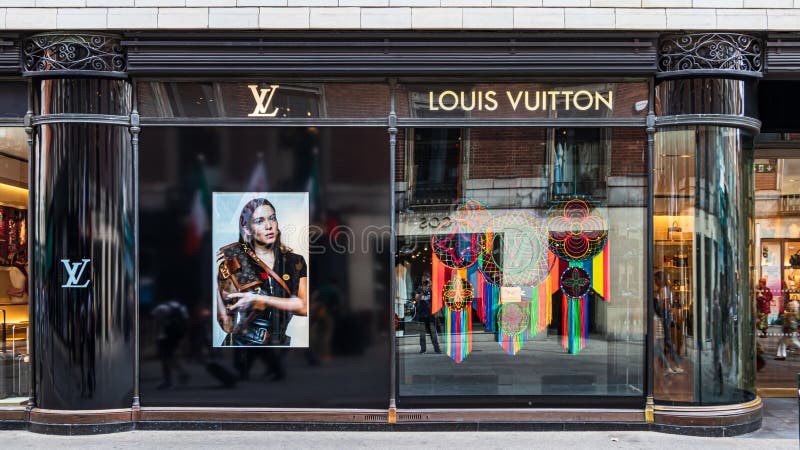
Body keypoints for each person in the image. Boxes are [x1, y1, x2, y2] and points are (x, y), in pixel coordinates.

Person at [216, 198, 308, 347]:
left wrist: (262, 300)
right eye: (259, 221)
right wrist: (222, 283)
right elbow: (228, 326)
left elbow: (304, 307)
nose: (269, 226)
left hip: (279, 345)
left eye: (272, 218)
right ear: (246, 228)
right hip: (242, 344)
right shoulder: (236, 263)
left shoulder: (295, 262)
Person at [654, 271, 683, 374]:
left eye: (656, 279)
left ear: (660, 279)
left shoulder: (663, 289)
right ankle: (672, 365)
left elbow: (666, 305)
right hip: (663, 319)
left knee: (664, 343)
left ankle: (673, 365)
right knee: (665, 343)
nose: (655, 281)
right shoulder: (664, 289)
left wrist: (661, 311)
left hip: (663, 320)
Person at [415, 272, 441, 354]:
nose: (425, 281)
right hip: (422, 314)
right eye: (424, 279)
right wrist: (422, 291)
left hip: (430, 314)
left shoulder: (432, 288)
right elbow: (416, 299)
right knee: (422, 333)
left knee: (433, 333)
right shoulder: (419, 289)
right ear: (422, 280)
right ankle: (423, 349)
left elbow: (437, 297)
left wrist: (431, 286)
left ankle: (437, 348)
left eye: (427, 280)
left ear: (429, 280)